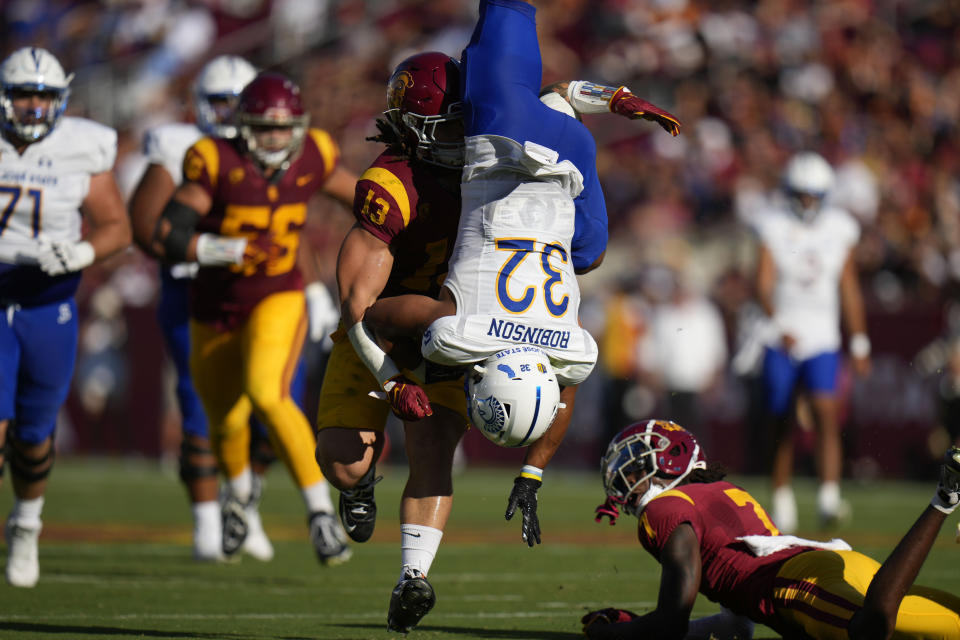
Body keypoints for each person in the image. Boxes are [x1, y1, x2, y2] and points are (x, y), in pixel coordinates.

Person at [351, 0, 680, 632]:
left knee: (586, 252)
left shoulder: (569, 350)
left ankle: (606, 100)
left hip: (572, 168)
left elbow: (561, 399)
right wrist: (395, 383)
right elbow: (370, 319)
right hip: (499, 140)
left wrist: (614, 100)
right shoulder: (460, 333)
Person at [149, 70, 357, 565]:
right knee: (226, 421)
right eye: (265, 128)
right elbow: (169, 231)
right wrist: (214, 247)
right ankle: (238, 498)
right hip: (214, 306)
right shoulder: (214, 160)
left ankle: (320, 513)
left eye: (284, 129)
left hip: (277, 296)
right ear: (244, 126)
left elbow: (368, 202)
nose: (275, 139)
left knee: (268, 393)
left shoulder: (314, 155)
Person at [313, 49, 470, 634]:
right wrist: (391, 379)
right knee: (343, 462)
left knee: (435, 447)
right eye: (445, 127)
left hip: (449, 333)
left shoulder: (490, 172)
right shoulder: (393, 183)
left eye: (464, 123)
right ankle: (360, 489)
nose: (459, 138)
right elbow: (355, 304)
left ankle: (413, 578)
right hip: (378, 332)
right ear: (412, 127)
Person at [583, 419, 960, 640]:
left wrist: (612, 633)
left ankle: (945, 495)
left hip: (803, 586)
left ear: (667, 462)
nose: (626, 479)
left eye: (634, 467)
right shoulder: (722, 493)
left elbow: (670, 625)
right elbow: (736, 624)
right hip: (838, 567)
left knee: (869, 630)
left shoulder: (664, 508)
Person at [128, 54, 277, 563]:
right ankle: (207, 524)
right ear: (200, 105)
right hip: (193, 291)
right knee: (200, 403)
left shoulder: (273, 146)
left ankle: (245, 509)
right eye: (222, 101)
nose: (233, 111)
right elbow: (147, 227)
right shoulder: (177, 145)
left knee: (270, 404)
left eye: (242, 101)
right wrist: (210, 250)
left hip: (258, 293)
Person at [0, 47, 132, 587]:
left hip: (47, 306)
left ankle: (27, 525)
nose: (34, 106)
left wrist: (79, 254)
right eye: (25, 94)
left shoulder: (82, 146)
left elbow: (115, 227)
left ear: (61, 99)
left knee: (34, 437)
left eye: (44, 96)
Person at [752, 151, 871, 533]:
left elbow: (849, 287)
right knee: (780, 416)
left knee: (825, 410)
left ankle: (828, 496)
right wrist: (777, 321)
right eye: (801, 194)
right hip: (781, 333)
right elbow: (763, 282)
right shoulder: (772, 223)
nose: (806, 202)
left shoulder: (840, 227)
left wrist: (860, 341)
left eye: (812, 195)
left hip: (821, 333)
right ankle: (782, 494)